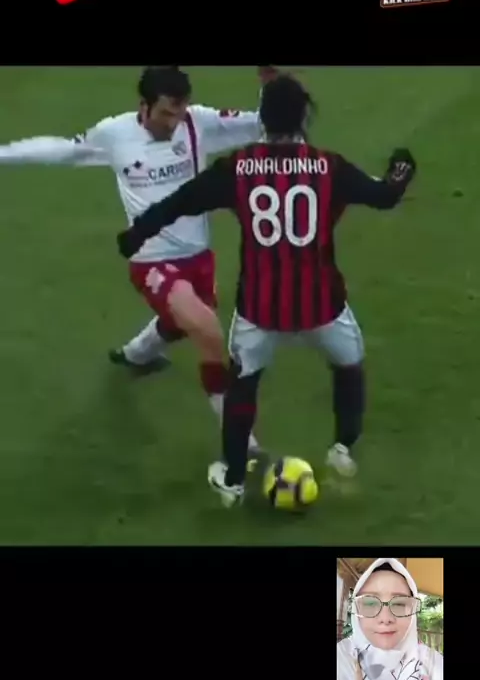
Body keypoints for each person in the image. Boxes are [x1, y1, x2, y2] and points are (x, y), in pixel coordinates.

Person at [116, 74, 416, 506]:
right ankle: (342, 449)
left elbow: (179, 202)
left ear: (264, 118)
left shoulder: (237, 168)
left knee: (243, 386)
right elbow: (385, 196)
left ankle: (233, 481)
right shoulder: (329, 167)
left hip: (260, 309)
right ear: (304, 116)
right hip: (323, 305)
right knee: (348, 365)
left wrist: (136, 235)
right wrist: (402, 168)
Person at [0, 65, 277, 455]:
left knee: (182, 322)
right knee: (208, 331)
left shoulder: (198, 123)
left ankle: (138, 354)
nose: (173, 123)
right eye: (165, 113)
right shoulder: (115, 134)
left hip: (198, 257)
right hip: (152, 262)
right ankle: (241, 442)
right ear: (143, 107)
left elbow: (263, 125)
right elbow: (62, 149)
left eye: (180, 112)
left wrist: (270, 85)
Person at [337, 557, 443, 680]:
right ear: (356, 610)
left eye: (399, 604)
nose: (385, 618)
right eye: (370, 603)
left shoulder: (437, 667)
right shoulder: (341, 662)